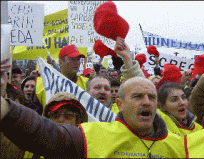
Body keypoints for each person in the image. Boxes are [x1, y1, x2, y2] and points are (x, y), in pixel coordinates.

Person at [0, 37, 186, 158]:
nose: (146, 102)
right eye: (137, 97)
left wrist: (128, 62)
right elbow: (45, 132)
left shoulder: (180, 146)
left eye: (151, 97)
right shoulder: (92, 135)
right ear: (119, 104)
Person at [23, 91, 88, 158]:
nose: (61, 120)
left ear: (78, 121)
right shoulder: (32, 151)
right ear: (47, 118)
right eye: (55, 115)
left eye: (68, 115)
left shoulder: (87, 151)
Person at [31, 45, 89, 114]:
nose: (76, 62)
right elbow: (34, 115)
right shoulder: (42, 84)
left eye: (78, 59)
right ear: (61, 62)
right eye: (72, 59)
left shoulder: (88, 84)